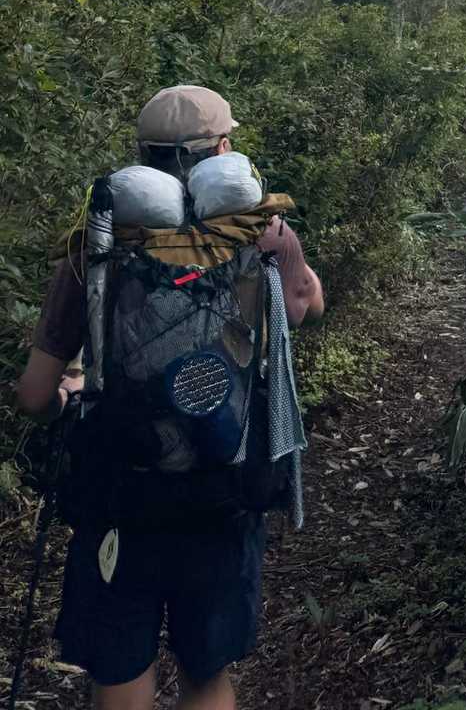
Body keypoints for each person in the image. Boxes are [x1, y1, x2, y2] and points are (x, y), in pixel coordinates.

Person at [15, 85, 325, 710]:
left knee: (120, 665)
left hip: (121, 492)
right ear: (224, 149)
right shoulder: (261, 231)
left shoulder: (99, 244)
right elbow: (307, 307)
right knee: (205, 671)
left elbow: (34, 395)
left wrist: (68, 398)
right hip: (224, 490)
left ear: (142, 154)